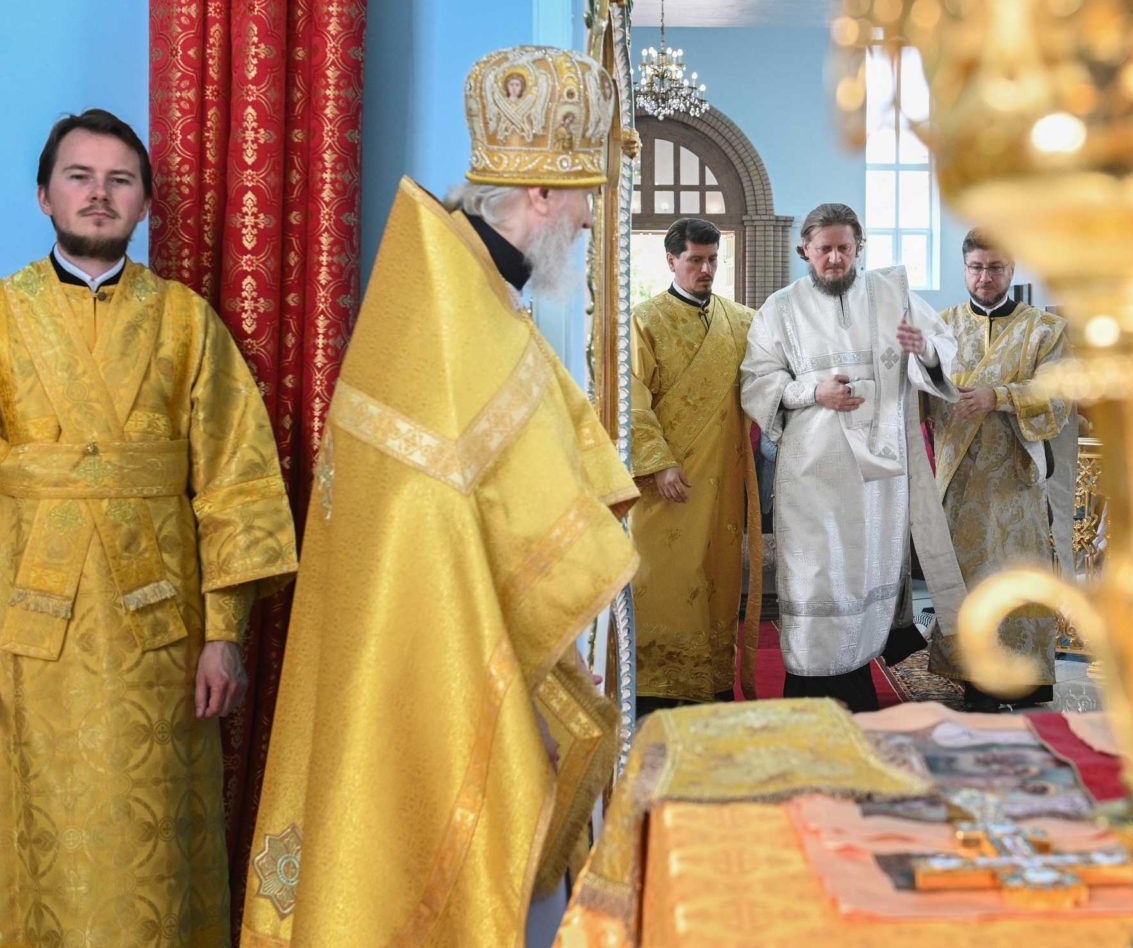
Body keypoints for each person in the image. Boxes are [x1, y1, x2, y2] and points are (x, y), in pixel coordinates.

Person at [242, 46, 639, 947]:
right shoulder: (453, 305)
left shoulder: (463, 287)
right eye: (580, 197)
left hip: (458, 637)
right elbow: (466, 514)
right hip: (438, 651)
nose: (586, 220)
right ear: (537, 198)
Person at [0, 109, 297, 946]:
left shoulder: (185, 323)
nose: (99, 195)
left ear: (145, 206)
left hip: (160, 641)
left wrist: (225, 634)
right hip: (23, 636)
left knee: (153, 852)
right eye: (81, 177)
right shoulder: (4, 317)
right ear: (44, 196)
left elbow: (236, 482)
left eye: (119, 181)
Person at [740, 203, 961, 711]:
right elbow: (758, 381)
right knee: (816, 572)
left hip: (878, 475)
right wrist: (814, 392)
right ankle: (810, 689)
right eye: (824, 250)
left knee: (865, 574)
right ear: (805, 251)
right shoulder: (780, 307)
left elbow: (943, 351)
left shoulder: (892, 295)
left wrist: (924, 348)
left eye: (844, 248)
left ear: (859, 247)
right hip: (813, 470)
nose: (835, 259)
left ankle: (856, 684)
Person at [927, 230, 1072, 710]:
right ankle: (975, 678)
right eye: (975, 268)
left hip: (1015, 475)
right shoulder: (942, 327)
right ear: (964, 267)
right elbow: (921, 394)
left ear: (1012, 270)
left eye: (995, 268)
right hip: (960, 476)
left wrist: (999, 396)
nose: (984, 277)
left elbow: (1057, 395)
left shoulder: (1044, 330)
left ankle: (1027, 677)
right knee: (968, 580)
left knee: (1016, 575)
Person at [631, 217, 758, 713]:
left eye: (712, 261)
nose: (706, 270)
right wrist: (659, 464)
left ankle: (711, 679)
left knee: (717, 579)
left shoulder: (742, 322)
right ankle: (654, 684)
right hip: (666, 484)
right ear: (670, 261)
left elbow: (765, 384)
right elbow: (632, 402)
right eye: (695, 261)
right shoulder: (645, 321)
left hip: (723, 479)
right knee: (662, 578)